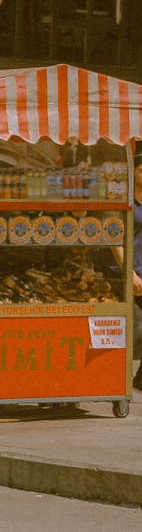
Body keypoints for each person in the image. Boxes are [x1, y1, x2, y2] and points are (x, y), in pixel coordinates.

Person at [113, 144, 142, 390]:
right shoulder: (126, 202)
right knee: (131, 329)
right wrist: (129, 272)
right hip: (127, 272)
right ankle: (117, 379)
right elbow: (117, 240)